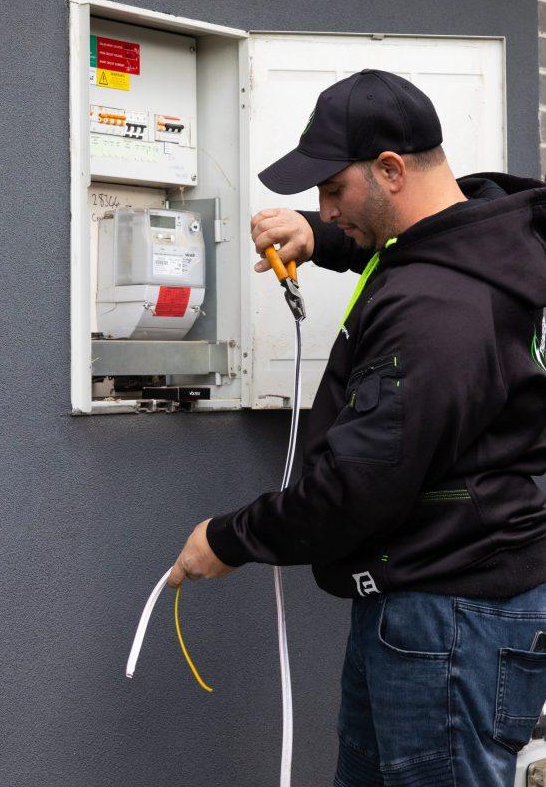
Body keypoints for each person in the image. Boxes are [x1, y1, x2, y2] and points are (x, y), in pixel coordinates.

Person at [167, 69, 546, 786]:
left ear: (390, 169)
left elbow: (358, 486)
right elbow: (409, 245)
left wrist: (229, 539)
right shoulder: (482, 240)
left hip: (447, 621)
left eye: (331, 191)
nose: (322, 206)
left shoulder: (438, 309)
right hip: (437, 604)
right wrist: (320, 235)